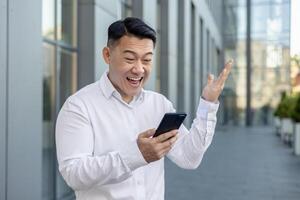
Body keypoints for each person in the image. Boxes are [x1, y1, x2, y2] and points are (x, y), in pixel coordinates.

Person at [55, 17, 232, 200]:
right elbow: (73, 174)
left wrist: (208, 104)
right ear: (107, 55)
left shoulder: (159, 104)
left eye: (147, 60)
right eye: (130, 59)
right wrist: (136, 155)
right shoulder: (79, 106)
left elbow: (189, 158)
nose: (139, 69)